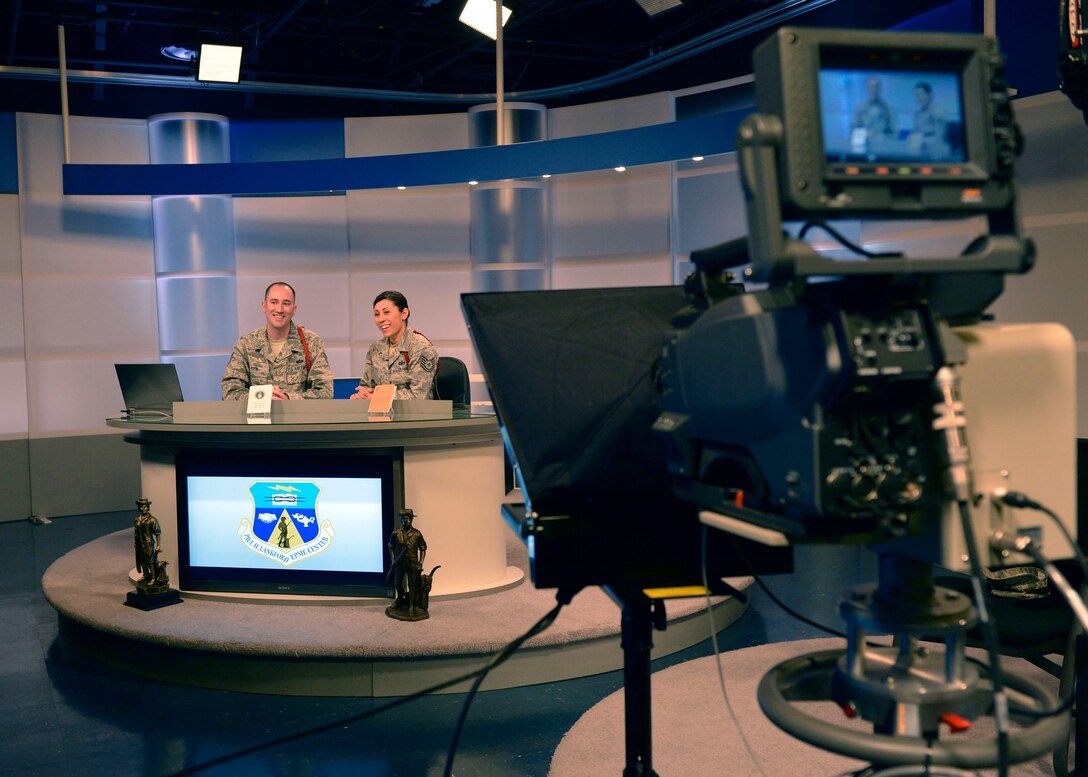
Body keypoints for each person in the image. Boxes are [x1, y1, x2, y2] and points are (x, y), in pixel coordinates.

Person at [221, 282, 333, 400]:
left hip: (298, 418)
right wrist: (262, 398)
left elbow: (325, 392)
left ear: (294, 309)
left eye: (286, 303)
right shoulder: (246, 344)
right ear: (264, 306)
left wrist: (288, 399)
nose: (279, 309)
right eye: (274, 302)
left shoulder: (311, 343)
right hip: (256, 418)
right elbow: (229, 391)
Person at [351, 291, 438, 400]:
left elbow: (418, 397)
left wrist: (378, 397)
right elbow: (367, 386)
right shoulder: (376, 348)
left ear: (404, 314)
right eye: (377, 314)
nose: (381, 319)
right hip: (379, 414)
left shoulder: (421, 347)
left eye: (386, 312)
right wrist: (361, 396)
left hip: (415, 415)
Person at [387, 508, 428, 618]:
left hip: (412, 564)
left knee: (412, 586)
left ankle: (412, 605)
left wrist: (420, 563)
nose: (406, 521)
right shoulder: (396, 533)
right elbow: (390, 547)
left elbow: (423, 548)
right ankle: (400, 599)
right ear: (400, 520)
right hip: (399, 564)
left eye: (408, 519)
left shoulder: (417, 534)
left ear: (411, 520)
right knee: (397, 584)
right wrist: (393, 560)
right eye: (404, 519)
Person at [851, 75, 896, 153]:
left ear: (880, 89)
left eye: (876, 86)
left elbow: (895, 133)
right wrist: (865, 134)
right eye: (871, 86)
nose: (874, 89)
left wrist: (878, 137)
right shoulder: (860, 108)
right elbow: (853, 130)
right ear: (867, 88)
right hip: (863, 150)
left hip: (884, 150)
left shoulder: (888, 109)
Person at [909, 81, 949, 159]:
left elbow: (941, 135)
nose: (919, 98)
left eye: (921, 94)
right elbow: (916, 133)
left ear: (930, 95)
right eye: (917, 95)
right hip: (921, 150)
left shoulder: (938, 112)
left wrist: (922, 139)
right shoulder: (917, 114)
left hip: (936, 151)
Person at [133, 497, 161, 585]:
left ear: (148, 507)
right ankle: (145, 575)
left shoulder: (152, 520)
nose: (143, 509)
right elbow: (136, 532)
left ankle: (153, 577)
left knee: (150, 561)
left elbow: (157, 533)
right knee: (142, 560)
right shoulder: (137, 520)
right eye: (141, 507)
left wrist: (158, 545)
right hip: (139, 543)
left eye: (145, 507)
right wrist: (135, 541)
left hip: (148, 544)